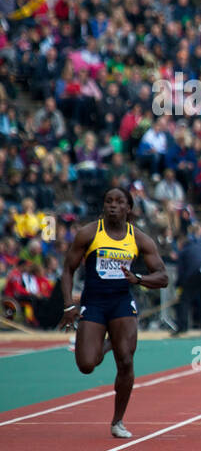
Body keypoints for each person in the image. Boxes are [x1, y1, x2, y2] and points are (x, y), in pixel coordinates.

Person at [56, 187, 169, 438]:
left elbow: (163, 277)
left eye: (119, 202)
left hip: (121, 304)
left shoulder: (139, 238)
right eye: (109, 201)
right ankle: (110, 342)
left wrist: (138, 278)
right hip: (94, 303)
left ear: (128, 208)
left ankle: (117, 421)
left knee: (126, 360)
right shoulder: (89, 233)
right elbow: (67, 269)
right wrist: (68, 305)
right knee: (87, 364)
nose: (113, 206)